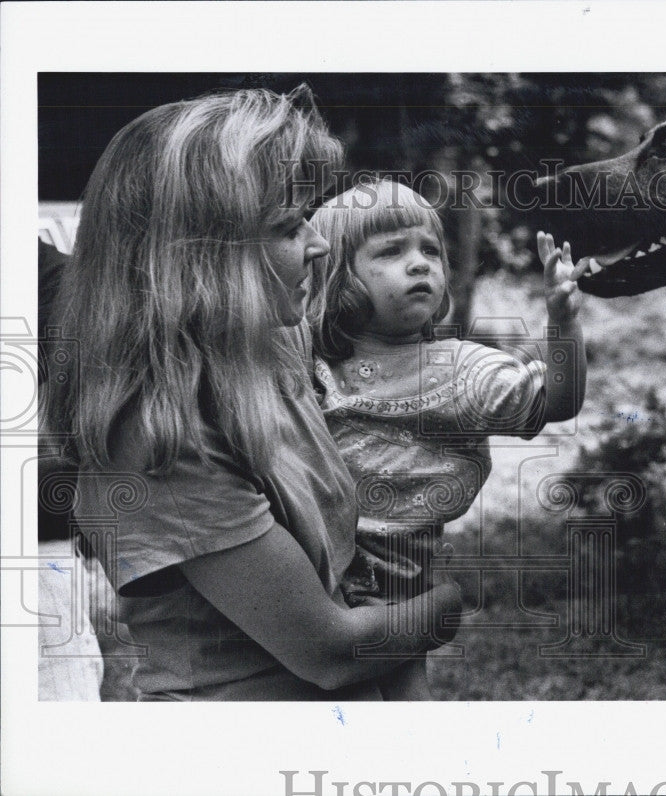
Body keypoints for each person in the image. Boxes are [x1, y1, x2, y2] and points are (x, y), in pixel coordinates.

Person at [43, 86, 461, 701]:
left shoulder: (268, 350)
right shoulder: (159, 436)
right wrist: (447, 603)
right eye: (291, 227)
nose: (319, 245)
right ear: (200, 258)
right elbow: (330, 650)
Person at [309, 179, 588, 698]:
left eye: (430, 250)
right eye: (391, 251)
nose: (420, 263)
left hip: (397, 594)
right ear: (336, 276)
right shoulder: (312, 365)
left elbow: (556, 401)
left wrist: (563, 323)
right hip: (312, 581)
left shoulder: (457, 368)